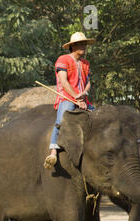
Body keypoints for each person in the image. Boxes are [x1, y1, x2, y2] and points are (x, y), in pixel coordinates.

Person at [44, 32, 95, 170]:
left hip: (84, 100)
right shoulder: (63, 59)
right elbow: (64, 82)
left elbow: (88, 82)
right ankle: (53, 151)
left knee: (98, 118)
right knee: (61, 120)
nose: (84, 46)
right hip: (66, 98)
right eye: (81, 44)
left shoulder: (86, 63)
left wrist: (84, 94)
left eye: (84, 44)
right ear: (73, 46)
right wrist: (76, 98)